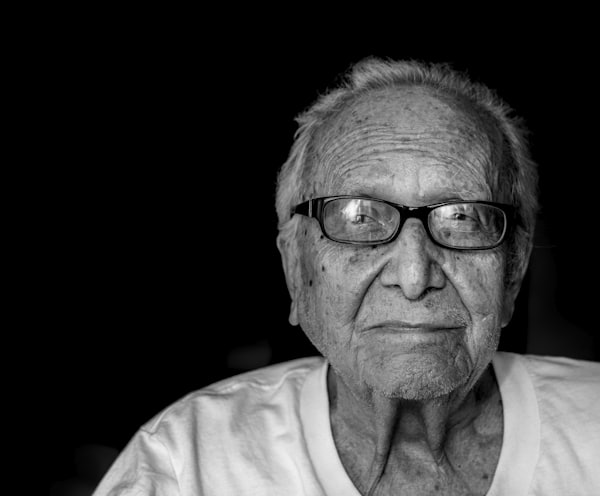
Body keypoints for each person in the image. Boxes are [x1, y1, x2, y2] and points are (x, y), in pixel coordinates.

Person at [93, 57, 600, 495]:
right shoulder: (187, 464)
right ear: (296, 268)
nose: (413, 275)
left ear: (513, 272)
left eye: (462, 218)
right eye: (359, 218)